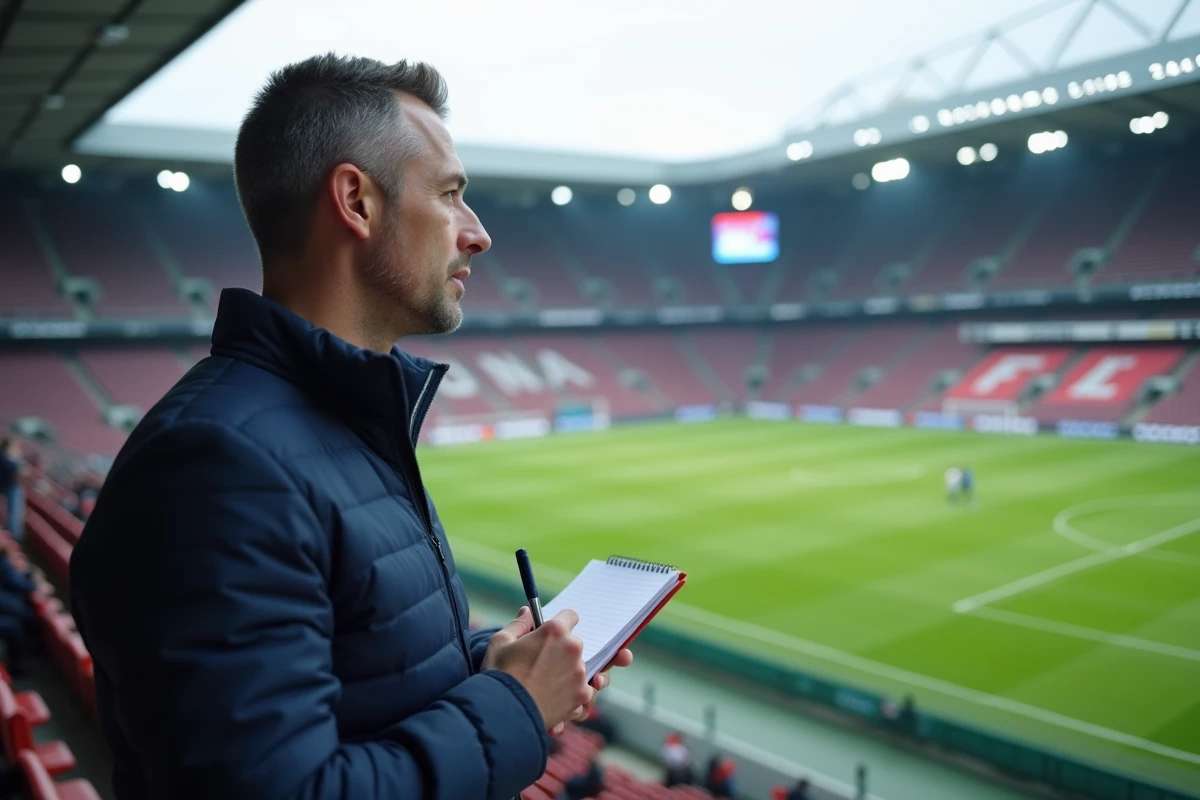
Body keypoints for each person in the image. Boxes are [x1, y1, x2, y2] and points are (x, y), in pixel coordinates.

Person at [69, 53, 631, 800]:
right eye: (452, 194)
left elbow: (363, 678)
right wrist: (518, 706)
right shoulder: (215, 466)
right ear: (357, 202)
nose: (479, 234)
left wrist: (494, 660)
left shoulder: (337, 424)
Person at [0, 438, 25, 540]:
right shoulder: (4, 458)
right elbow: (19, 472)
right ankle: (13, 535)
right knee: (13, 512)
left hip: (8, 488)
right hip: (9, 489)